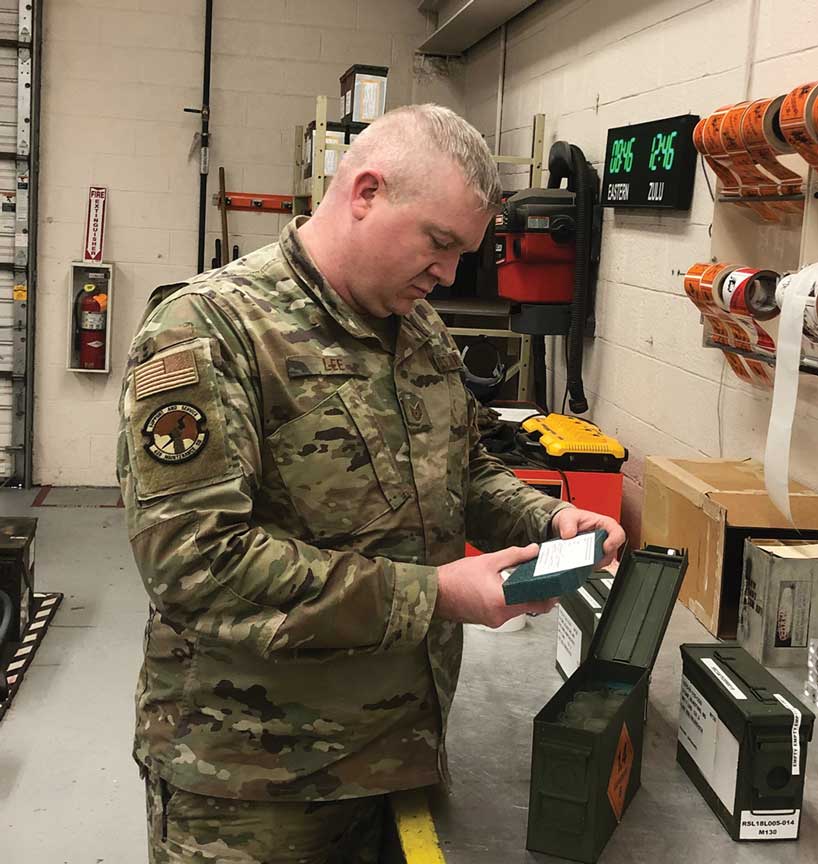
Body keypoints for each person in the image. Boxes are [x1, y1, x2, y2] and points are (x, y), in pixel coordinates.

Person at [117, 103, 625, 864]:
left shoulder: (417, 327)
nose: (449, 274)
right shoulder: (210, 329)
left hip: (399, 757)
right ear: (365, 192)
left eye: (464, 255)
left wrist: (546, 522)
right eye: (439, 244)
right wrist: (439, 595)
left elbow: (467, 464)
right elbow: (197, 564)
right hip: (255, 787)